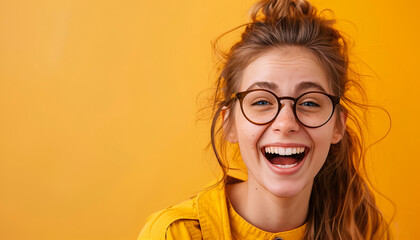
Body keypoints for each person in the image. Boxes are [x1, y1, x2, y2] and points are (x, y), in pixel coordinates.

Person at [138, 0, 392, 239]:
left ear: (338, 125)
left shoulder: (362, 230)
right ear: (229, 124)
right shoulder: (175, 234)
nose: (286, 123)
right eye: (261, 102)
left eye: (309, 102)